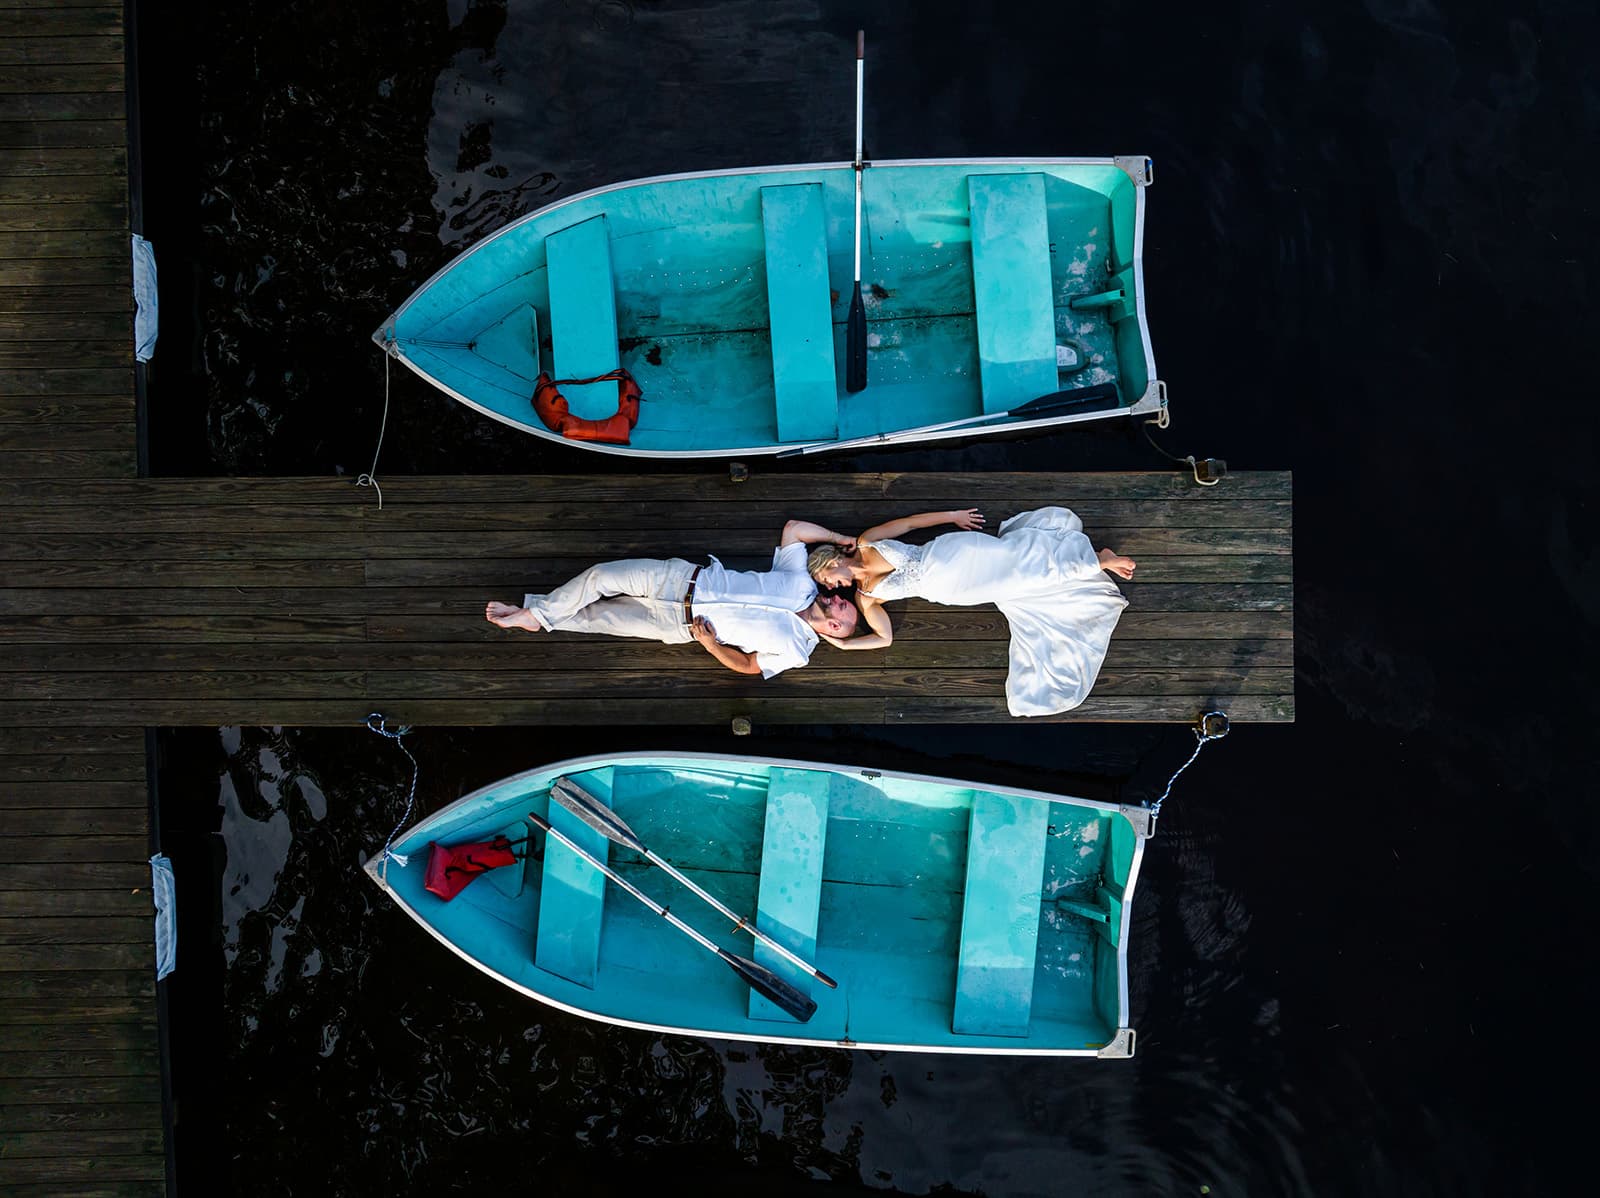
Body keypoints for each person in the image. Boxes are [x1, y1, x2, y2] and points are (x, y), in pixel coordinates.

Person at [805, 507, 1137, 716]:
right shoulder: (866, 599)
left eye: (827, 579)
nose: (831, 587)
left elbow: (908, 524)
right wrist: (844, 644)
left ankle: (1095, 560)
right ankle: (1091, 561)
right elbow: (884, 638)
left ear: (832, 562)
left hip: (948, 553)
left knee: (1016, 560)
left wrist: (953, 516)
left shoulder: (866, 541)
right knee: (1015, 580)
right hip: (950, 589)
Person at [484, 521, 858, 677]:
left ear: (837, 628)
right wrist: (837, 537)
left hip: (676, 625)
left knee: (595, 618)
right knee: (600, 575)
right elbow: (793, 530)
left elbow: (748, 666)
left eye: (844, 606)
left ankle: (534, 615)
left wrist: (711, 647)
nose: (839, 597)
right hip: (679, 578)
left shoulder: (798, 651)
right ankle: (537, 614)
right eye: (844, 598)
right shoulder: (802, 582)